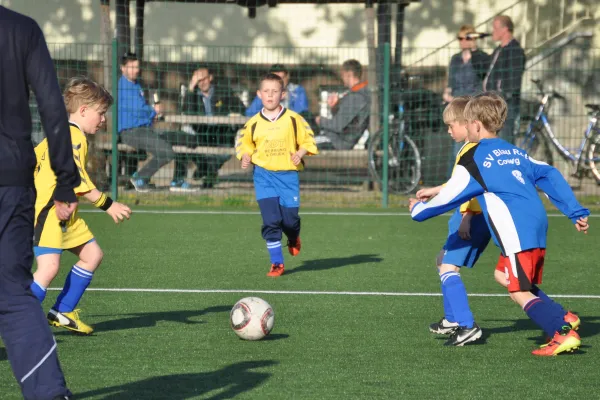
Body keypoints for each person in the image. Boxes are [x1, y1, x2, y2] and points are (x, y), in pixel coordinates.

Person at [410, 92, 589, 356]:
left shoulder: (474, 158)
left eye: (467, 122)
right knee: (503, 276)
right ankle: (564, 317)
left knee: (518, 292)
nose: (465, 126)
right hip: (535, 224)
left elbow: (450, 197)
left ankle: (561, 332)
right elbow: (548, 173)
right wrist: (574, 211)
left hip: (517, 231)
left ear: (477, 124)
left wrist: (419, 211)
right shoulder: (515, 151)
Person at [0, 6, 79, 399]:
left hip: (10, 177)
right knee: (13, 294)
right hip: (11, 180)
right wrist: (67, 178)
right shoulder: (22, 29)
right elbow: (52, 105)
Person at [30, 77, 132, 335]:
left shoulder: (57, 134)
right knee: (48, 268)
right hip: (49, 213)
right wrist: (108, 204)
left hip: (65, 214)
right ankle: (20, 318)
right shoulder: (73, 136)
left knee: (92, 255)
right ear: (83, 110)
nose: (103, 120)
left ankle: (62, 311)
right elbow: (76, 176)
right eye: (100, 113)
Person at [416, 96, 491, 346]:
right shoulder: (467, 148)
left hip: (472, 217)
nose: (448, 131)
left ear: (467, 123)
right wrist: (436, 190)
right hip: (464, 215)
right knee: (442, 261)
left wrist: (467, 216)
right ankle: (452, 319)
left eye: (451, 126)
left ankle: (467, 325)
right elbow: (459, 185)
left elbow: (475, 190)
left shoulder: (474, 151)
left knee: (449, 267)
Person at [236, 73, 318, 277]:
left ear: (282, 94)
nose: (270, 95)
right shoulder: (253, 123)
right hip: (263, 176)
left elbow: (308, 141)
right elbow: (244, 144)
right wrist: (245, 156)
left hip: (288, 176)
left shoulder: (294, 119)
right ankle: (277, 263)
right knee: (271, 220)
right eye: (266, 91)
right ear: (259, 94)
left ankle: (293, 236)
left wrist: (300, 153)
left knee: (289, 221)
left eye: (275, 91)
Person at [168, 65, 246, 190]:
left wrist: (232, 115)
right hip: (201, 132)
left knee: (224, 153)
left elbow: (241, 108)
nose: (202, 83)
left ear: (210, 78)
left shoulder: (223, 91)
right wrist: (190, 88)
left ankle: (205, 171)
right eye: (198, 81)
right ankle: (206, 172)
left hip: (222, 133)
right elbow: (186, 112)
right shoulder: (193, 95)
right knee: (186, 142)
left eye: (204, 79)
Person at [118, 53, 175, 192]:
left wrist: (151, 116)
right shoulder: (125, 86)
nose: (136, 70)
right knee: (167, 152)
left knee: (177, 138)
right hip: (131, 132)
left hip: (142, 129)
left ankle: (178, 179)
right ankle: (140, 178)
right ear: (122, 68)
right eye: (131, 67)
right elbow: (138, 109)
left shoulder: (136, 84)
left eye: (137, 66)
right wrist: (153, 111)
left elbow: (139, 111)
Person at [443, 24, 490, 162]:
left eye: (466, 38)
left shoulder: (481, 57)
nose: (462, 41)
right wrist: (447, 94)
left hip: (473, 106)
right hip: (457, 107)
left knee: (474, 145)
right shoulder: (455, 59)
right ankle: (458, 178)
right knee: (457, 148)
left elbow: (483, 80)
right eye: (460, 38)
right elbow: (450, 83)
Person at [482, 16, 525, 144]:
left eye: (495, 28)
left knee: (504, 143)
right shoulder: (498, 50)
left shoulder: (515, 50)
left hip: (504, 106)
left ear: (505, 29)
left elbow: (513, 81)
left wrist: (501, 97)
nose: (492, 31)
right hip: (491, 104)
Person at [314, 59, 370, 150]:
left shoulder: (357, 97)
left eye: (343, 75)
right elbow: (345, 121)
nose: (342, 78)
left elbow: (338, 126)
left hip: (337, 142)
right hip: (336, 139)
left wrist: (320, 121)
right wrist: (334, 107)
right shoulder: (356, 94)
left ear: (349, 74)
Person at [245, 64, 309, 117]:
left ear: (288, 77)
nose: (279, 82)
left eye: (282, 78)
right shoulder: (265, 91)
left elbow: (301, 112)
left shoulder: (297, 90)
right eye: (275, 78)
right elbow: (250, 113)